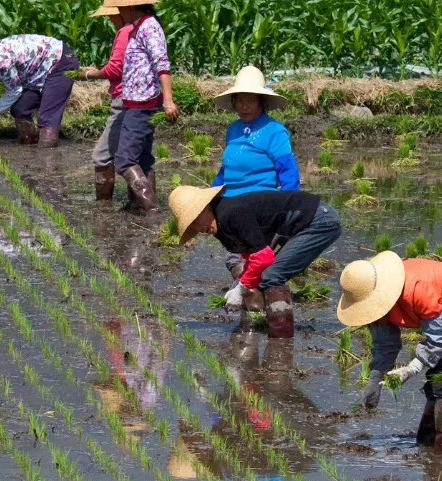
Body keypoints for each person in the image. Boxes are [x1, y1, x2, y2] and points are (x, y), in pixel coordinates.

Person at [337, 251, 442, 453]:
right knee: (435, 380)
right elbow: (386, 344)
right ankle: (426, 445)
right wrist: (375, 379)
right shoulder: (378, 303)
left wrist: (412, 368)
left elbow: (441, 337)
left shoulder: (416, 289)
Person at [167, 184, 340, 338]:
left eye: (196, 221)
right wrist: (239, 283)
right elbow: (252, 256)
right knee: (267, 274)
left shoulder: (231, 213)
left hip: (319, 220)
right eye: (192, 227)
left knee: (272, 276)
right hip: (303, 224)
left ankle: (281, 341)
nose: (199, 229)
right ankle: (278, 332)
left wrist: (241, 288)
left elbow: (264, 256)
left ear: (206, 207)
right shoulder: (220, 222)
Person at [210, 65, 300, 298]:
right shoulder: (233, 130)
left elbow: (288, 174)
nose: (244, 105)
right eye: (239, 100)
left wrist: (286, 213)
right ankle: (250, 303)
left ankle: (265, 306)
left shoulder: (274, 131)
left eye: (249, 100)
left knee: (258, 262)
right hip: (231, 208)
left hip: (259, 209)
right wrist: (209, 198)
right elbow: (226, 170)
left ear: (262, 101)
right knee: (237, 260)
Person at [113, 0, 178, 212]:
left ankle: (151, 208)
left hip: (143, 102)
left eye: (120, 8)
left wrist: (168, 100)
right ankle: (138, 206)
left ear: (131, 7)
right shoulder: (137, 27)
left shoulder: (149, 27)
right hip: (136, 101)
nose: (119, 12)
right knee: (143, 158)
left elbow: (162, 64)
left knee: (124, 160)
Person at [75, 2, 131, 201]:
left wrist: (90, 74)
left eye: (112, 15)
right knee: (139, 155)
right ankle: (140, 206)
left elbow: (116, 69)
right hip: (139, 98)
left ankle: (104, 208)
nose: (110, 19)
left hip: (124, 99)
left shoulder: (125, 32)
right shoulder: (142, 29)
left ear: (121, 12)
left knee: (102, 156)